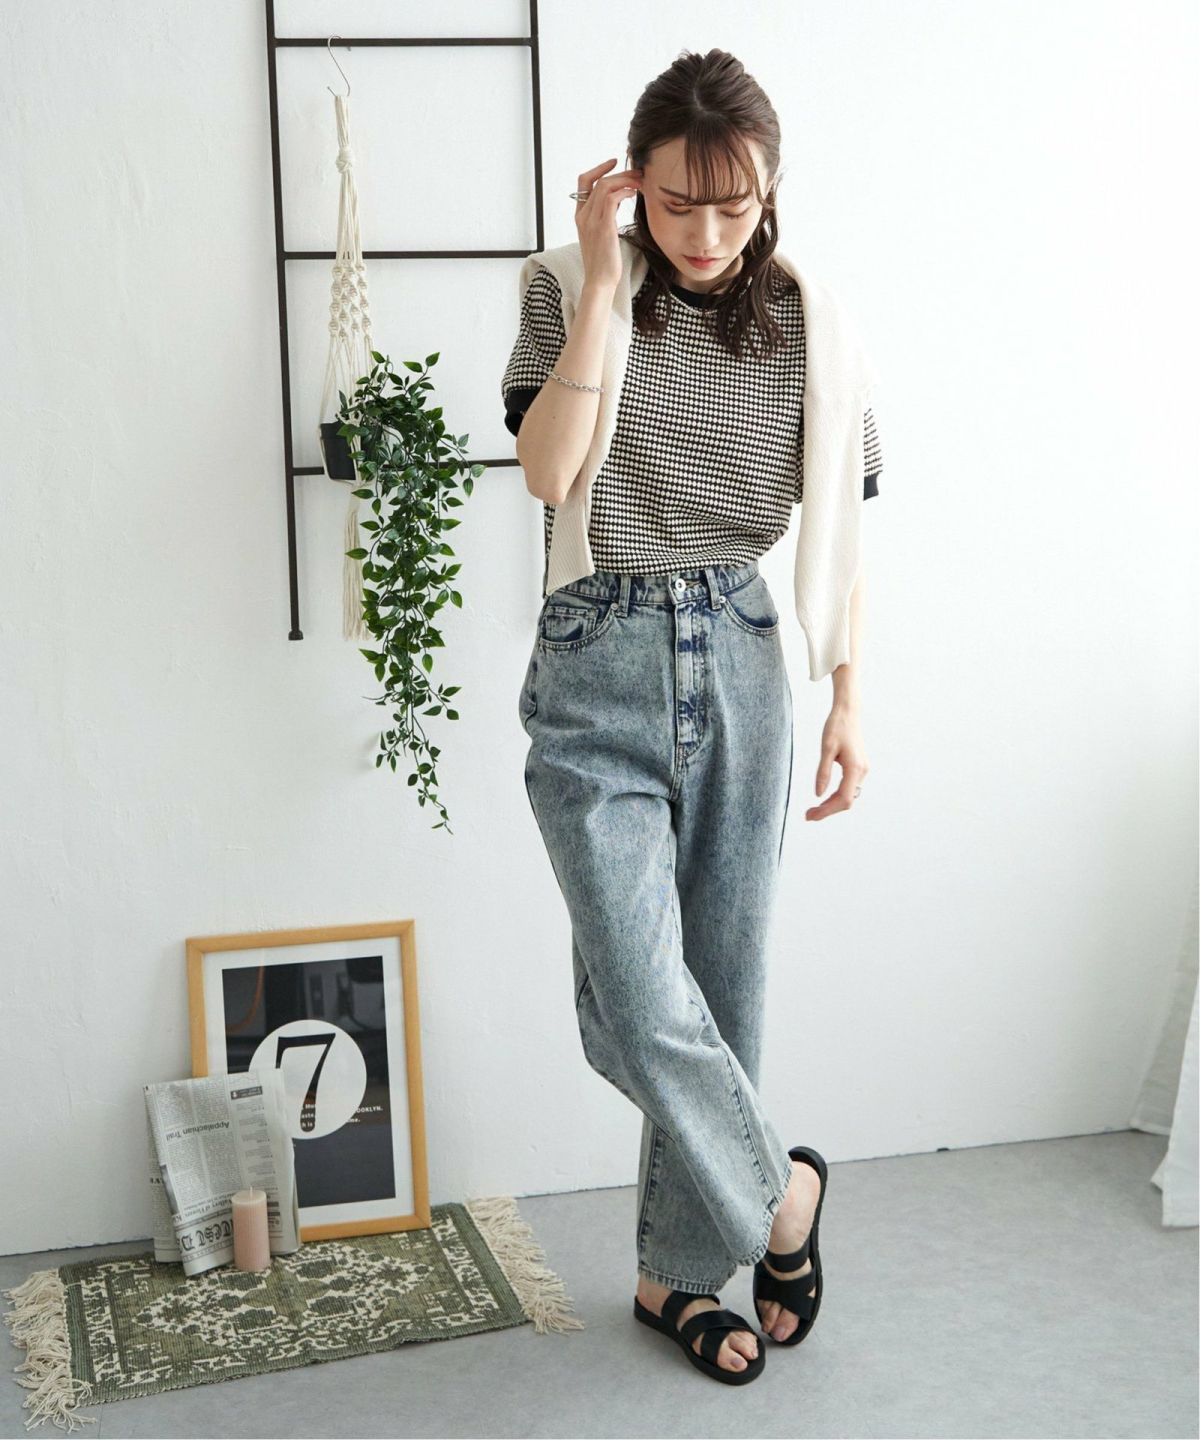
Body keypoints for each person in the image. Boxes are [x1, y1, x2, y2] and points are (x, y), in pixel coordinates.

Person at [502, 47, 881, 1385]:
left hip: (746, 657)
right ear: (632, 185)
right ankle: (783, 1195)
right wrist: (608, 291)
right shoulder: (565, 286)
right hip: (595, 659)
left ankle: (676, 1278)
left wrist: (848, 697)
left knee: (721, 990)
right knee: (636, 1002)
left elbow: (845, 527)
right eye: (676, 205)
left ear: (768, 192)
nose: (707, 234)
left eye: (734, 206)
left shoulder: (813, 322)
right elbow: (548, 474)